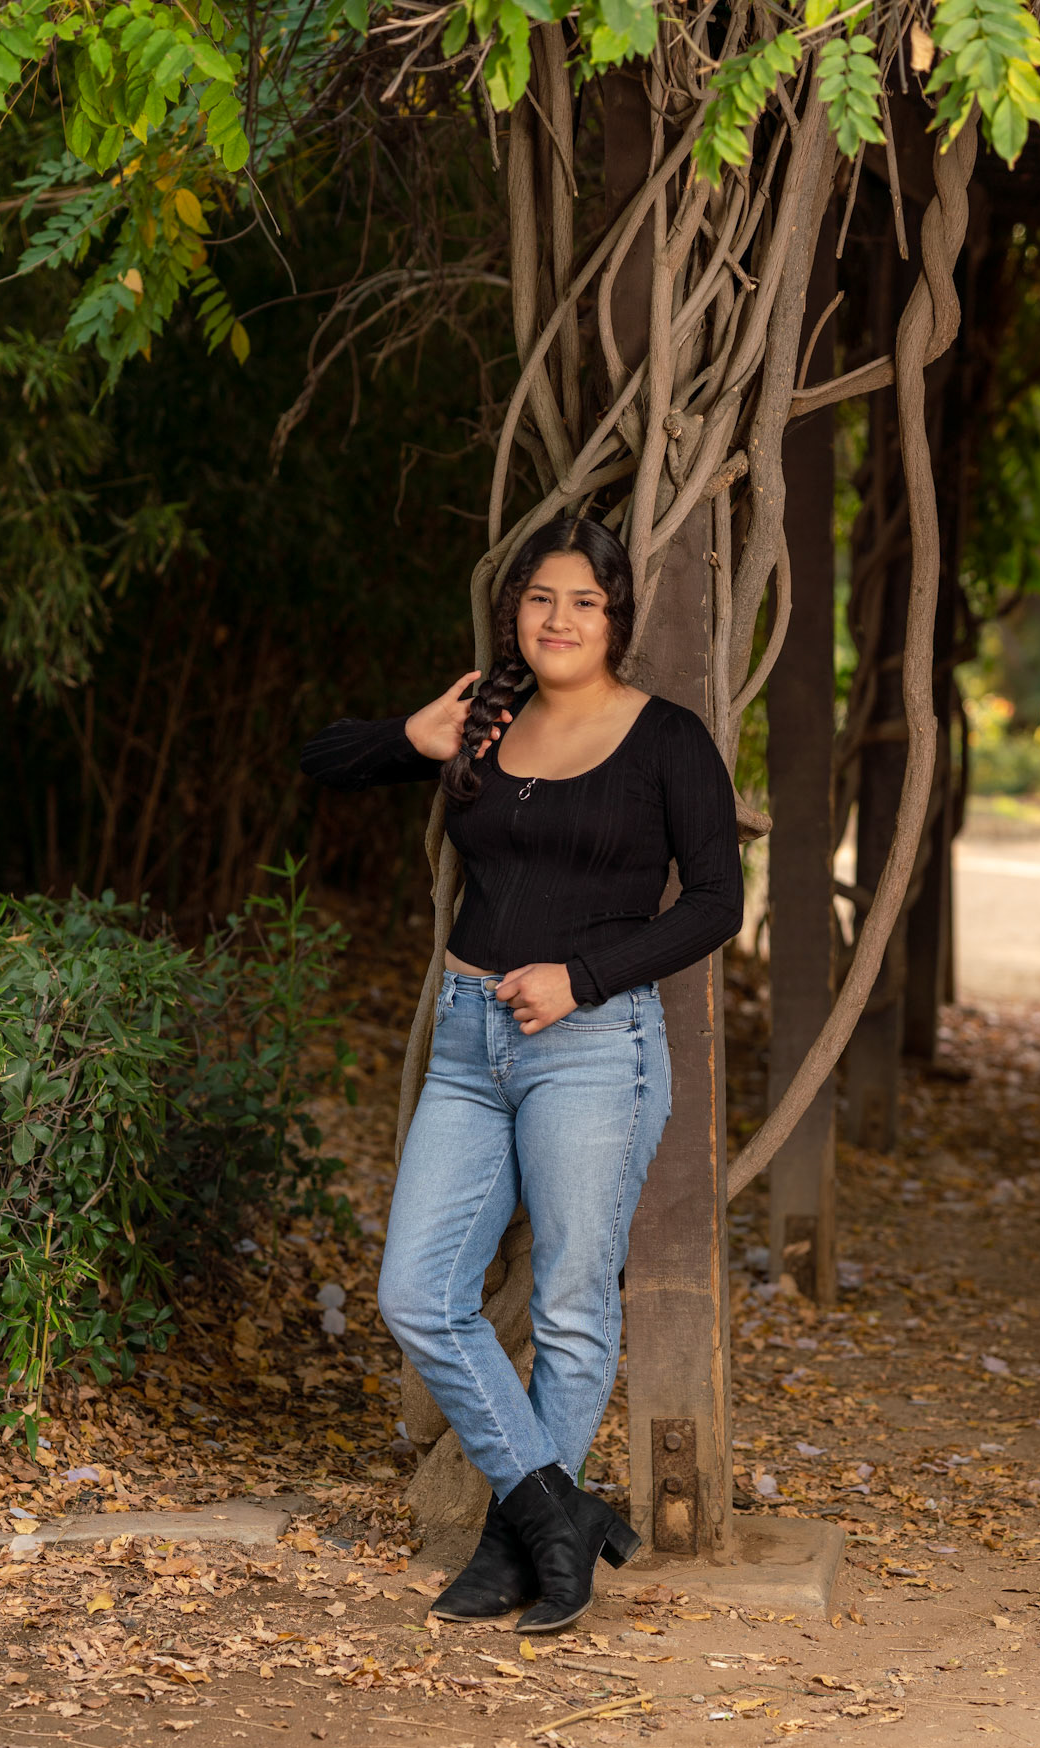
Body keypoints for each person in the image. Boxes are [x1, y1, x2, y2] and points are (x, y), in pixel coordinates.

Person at [301, 515, 744, 1632]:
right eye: (541, 598)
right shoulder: (485, 722)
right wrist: (412, 737)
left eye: (584, 601)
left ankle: (516, 1545)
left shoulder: (667, 739)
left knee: (571, 1302)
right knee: (417, 1293)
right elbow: (320, 762)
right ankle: (556, 1511)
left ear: (616, 618)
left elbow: (715, 903)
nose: (560, 619)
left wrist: (583, 977)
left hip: (592, 1049)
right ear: (515, 613)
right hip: (468, 1041)